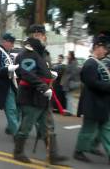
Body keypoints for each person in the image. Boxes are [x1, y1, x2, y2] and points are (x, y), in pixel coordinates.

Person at [13, 24, 67, 164]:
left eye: (40, 34)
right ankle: (18, 152)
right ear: (30, 36)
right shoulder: (27, 53)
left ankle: (53, 155)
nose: (38, 36)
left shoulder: (43, 53)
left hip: (43, 96)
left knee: (48, 127)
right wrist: (43, 86)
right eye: (35, 34)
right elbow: (27, 74)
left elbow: (42, 71)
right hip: (31, 96)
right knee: (27, 125)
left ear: (44, 36)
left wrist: (51, 75)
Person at [73, 36, 110, 165]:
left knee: (105, 129)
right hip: (92, 103)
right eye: (104, 48)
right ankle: (79, 151)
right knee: (88, 130)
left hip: (100, 102)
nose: (106, 51)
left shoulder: (97, 63)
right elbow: (93, 83)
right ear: (97, 48)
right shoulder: (90, 64)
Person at [61, 51, 81, 116]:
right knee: (68, 96)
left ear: (71, 55)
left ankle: (70, 111)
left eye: (69, 55)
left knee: (70, 97)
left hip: (70, 82)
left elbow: (73, 73)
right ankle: (69, 111)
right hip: (69, 82)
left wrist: (68, 78)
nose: (67, 56)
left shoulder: (73, 63)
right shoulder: (72, 62)